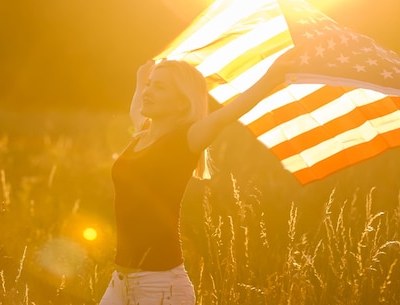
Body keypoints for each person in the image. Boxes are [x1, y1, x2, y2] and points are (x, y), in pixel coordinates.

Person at [98, 56, 289, 305]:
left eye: (160, 87)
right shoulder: (142, 134)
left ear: (181, 103)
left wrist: (272, 78)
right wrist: (140, 78)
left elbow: (227, 115)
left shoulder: (187, 139)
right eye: (150, 85)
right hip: (120, 283)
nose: (149, 92)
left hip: (160, 285)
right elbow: (136, 106)